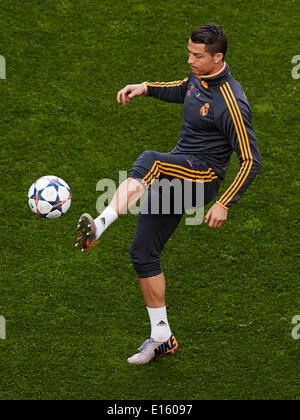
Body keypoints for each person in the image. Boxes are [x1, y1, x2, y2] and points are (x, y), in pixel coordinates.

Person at [76, 23, 262, 364]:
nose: (190, 59)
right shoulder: (198, 77)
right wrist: (145, 87)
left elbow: (251, 160)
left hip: (203, 178)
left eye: (197, 55)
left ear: (218, 58)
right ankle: (161, 336)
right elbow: (183, 89)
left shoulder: (231, 102)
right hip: (180, 170)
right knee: (142, 251)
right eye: (189, 52)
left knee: (151, 162)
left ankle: (99, 226)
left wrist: (223, 202)